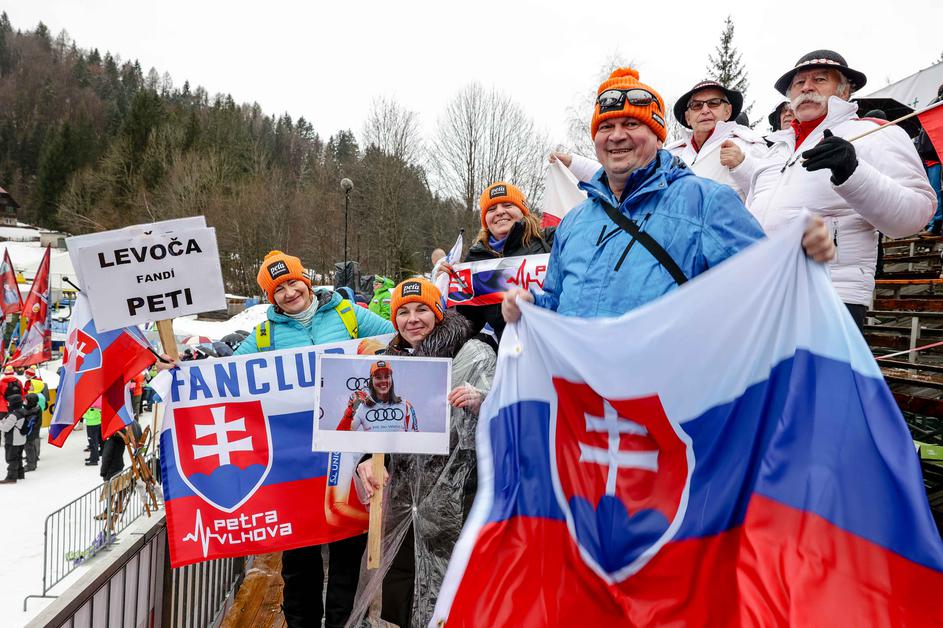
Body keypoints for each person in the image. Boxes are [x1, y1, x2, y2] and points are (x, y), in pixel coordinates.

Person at [503, 67, 834, 322]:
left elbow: (766, 286)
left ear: (658, 136)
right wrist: (531, 306)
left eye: (631, 124)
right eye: (606, 127)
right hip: (582, 389)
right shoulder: (575, 222)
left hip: (668, 389)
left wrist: (800, 257)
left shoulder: (706, 203)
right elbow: (556, 301)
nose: (616, 136)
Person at [232, 250, 393, 628]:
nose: (289, 293)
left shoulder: (348, 314)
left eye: (293, 282)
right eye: (279, 289)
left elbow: (397, 339)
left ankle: (342, 623)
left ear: (306, 281)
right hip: (296, 459)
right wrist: (185, 369)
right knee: (299, 558)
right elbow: (225, 371)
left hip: (347, 451)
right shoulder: (265, 334)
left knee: (347, 552)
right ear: (271, 298)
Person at [738, 50, 936, 328]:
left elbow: (915, 214)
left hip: (830, 295)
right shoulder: (774, 150)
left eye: (820, 79)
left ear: (845, 91)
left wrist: (852, 171)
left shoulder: (874, 133)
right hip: (763, 293)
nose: (807, 88)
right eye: (799, 83)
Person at [353, 277, 496, 628]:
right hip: (405, 497)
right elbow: (377, 425)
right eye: (403, 312)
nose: (413, 319)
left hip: (460, 494)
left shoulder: (473, 353)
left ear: (438, 313)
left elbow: (507, 410)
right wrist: (367, 461)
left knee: (455, 585)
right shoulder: (388, 363)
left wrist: (482, 401)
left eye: (422, 310)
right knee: (403, 583)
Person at [439, 182, 554, 341]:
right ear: (485, 220)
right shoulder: (476, 258)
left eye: (507, 205)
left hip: (558, 342)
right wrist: (447, 290)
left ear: (522, 211)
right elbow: (467, 326)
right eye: (492, 209)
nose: (500, 212)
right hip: (513, 350)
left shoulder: (550, 240)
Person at [350, 361, 418, 432]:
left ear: (391, 379)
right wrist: (349, 412)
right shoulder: (363, 407)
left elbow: (415, 435)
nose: (383, 381)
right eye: (378, 377)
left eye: (387, 376)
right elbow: (344, 434)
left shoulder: (405, 405)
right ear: (371, 381)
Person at [0, 393, 27, 484]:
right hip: (21, 439)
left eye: (9, 402)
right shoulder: (23, 411)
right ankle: (20, 474)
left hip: (13, 440)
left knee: (11, 458)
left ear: (13, 403)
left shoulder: (14, 415)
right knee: (18, 457)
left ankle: (11, 477)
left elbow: (5, 428)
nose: (8, 404)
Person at [22, 393, 41, 472]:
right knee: (31, 446)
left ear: (31, 402)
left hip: (31, 431)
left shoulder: (33, 411)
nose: (25, 402)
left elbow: (27, 417)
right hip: (32, 431)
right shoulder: (34, 407)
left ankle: (31, 465)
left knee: (29, 447)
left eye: (26, 401)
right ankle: (33, 459)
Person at [83, 401, 103, 466]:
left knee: (93, 442)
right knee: (94, 442)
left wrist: (82, 414)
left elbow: (91, 416)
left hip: (92, 425)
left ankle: (94, 460)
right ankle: (94, 457)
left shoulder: (92, 407)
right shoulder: (95, 405)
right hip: (95, 424)